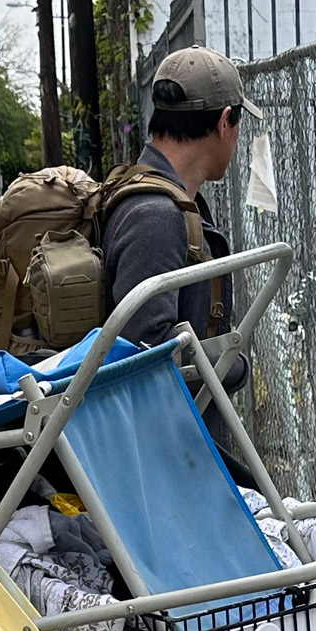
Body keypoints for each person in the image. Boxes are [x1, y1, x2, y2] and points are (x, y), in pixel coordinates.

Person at [97, 46, 252, 427]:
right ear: (224, 121)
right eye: (238, 125)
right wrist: (234, 365)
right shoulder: (157, 216)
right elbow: (147, 355)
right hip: (170, 449)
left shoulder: (167, 199)